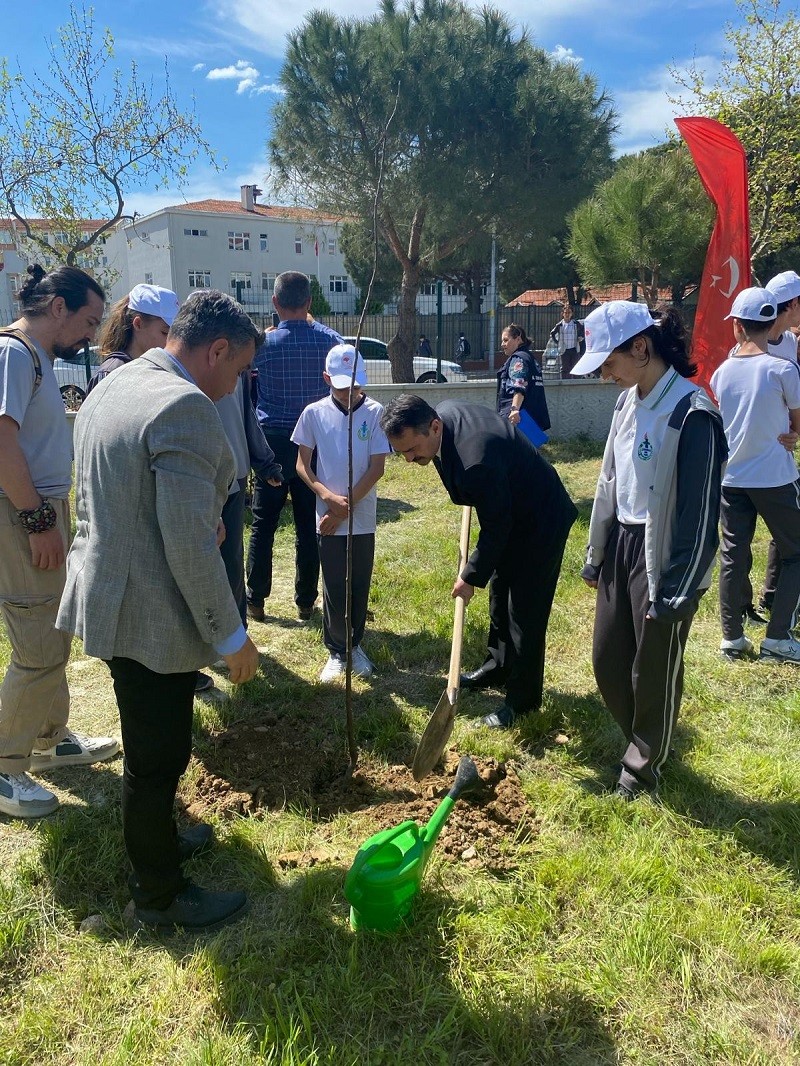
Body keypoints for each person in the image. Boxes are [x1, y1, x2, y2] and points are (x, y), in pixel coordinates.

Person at [56, 290, 261, 930]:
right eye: (236, 372)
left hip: (108, 593)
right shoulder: (184, 406)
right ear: (217, 349)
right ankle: (159, 893)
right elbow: (192, 548)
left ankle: (163, 838)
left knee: (154, 747)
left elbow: (125, 493)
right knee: (155, 758)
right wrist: (231, 637)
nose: (233, 390)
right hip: (150, 611)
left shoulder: (114, 384)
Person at [573, 301, 726, 801]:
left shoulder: (692, 413)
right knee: (607, 660)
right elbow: (609, 483)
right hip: (622, 542)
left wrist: (678, 589)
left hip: (666, 557)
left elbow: (700, 515)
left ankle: (641, 769)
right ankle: (649, 736)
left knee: (653, 668)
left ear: (641, 347)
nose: (604, 376)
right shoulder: (626, 402)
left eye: (608, 363)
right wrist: (598, 553)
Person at [380, 394, 577, 729]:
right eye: (402, 454)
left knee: (524, 613)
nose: (410, 459)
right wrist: (481, 570)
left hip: (539, 520)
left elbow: (498, 526)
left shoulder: (476, 462)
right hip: (510, 510)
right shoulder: (442, 417)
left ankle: (522, 702)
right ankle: (497, 667)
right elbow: (494, 517)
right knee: (500, 594)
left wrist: (470, 576)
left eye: (413, 449)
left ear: (434, 426)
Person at [0, 264, 118, 820]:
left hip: (40, 510)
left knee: (55, 626)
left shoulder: (36, 359)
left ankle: (49, 739)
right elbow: (2, 444)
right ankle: (5, 767)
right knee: (39, 644)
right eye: (89, 321)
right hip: (23, 514)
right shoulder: (14, 353)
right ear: (57, 308)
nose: (92, 335)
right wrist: (36, 520)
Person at [246, 271, 343, 623]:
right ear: (309, 302)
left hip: (270, 442)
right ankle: (305, 601)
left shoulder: (262, 345)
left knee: (263, 522)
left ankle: (255, 599)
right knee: (308, 523)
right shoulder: (332, 342)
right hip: (314, 441)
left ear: (275, 303)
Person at [710, 287, 800, 665]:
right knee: (796, 553)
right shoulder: (783, 369)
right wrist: (791, 434)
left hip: (733, 479)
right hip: (776, 477)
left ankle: (732, 637)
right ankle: (778, 637)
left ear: (737, 328)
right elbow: (796, 425)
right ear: (771, 324)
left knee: (734, 555)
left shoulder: (721, 373)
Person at [292, 345, 391, 681]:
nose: (349, 393)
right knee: (334, 583)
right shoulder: (313, 413)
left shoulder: (376, 413)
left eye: (355, 385)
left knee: (358, 582)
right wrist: (325, 496)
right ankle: (336, 649)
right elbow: (302, 464)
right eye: (341, 386)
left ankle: (356, 644)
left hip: (360, 516)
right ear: (326, 379)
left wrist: (344, 506)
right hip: (327, 517)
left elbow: (376, 467)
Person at [752, 270, 800, 618]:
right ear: (793, 304)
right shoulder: (753, 338)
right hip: (753, 449)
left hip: (783, 448)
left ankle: (772, 594)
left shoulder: (791, 343)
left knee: (785, 527)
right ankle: (739, 611)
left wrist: (793, 431)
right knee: (737, 539)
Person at [86, 283, 180, 395]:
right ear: (138, 324)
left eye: (174, 335)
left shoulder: (162, 370)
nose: (170, 342)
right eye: (165, 333)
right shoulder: (111, 374)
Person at [496, 323, 551, 433]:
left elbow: (519, 387)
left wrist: (514, 409)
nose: (502, 344)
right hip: (533, 416)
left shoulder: (518, 359)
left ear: (518, 339)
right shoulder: (530, 358)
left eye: (506, 340)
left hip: (518, 419)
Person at [550, 304, 585, 379]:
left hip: (574, 349)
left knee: (576, 367)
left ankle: (576, 383)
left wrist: (581, 337)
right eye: (565, 313)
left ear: (572, 314)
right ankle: (565, 383)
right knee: (565, 368)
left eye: (569, 312)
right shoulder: (560, 325)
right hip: (564, 350)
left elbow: (583, 330)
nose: (567, 314)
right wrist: (558, 342)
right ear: (562, 314)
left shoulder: (575, 323)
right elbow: (552, 333)